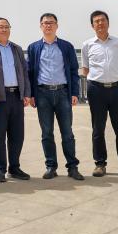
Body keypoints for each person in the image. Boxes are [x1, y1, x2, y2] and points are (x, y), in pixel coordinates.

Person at [82, 10, 118, 178]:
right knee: (98, 129)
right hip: (96, 90)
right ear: (92, 25)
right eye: (96, 21)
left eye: (103, 20)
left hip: (116, 90)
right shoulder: (87, 45)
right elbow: (86, 69)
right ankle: (100, 164)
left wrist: (113, 78)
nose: (100, 23)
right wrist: (99, 80)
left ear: (108, 23)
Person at [27, 13, 84, 181]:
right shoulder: (33, 47)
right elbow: (30, 72)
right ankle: (51, 166)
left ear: (57, 25)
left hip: (63, 93)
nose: (48, 25)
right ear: (40, 26)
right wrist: (31, 95)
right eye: (45, 23)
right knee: (47, 133)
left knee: (67, 132)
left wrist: (75, 93)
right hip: (42, 94)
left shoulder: (66, 46)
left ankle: (72, 167)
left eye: (51, 23)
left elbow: (74, 71)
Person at [0, 17, 32, 182]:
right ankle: (0, 169)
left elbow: (24, 72)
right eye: (0, 27)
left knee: (17, 135)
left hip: (16, 96)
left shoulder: (16, 49)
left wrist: (26, 93)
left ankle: (14, 168)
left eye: (7, 26)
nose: (4, 29)